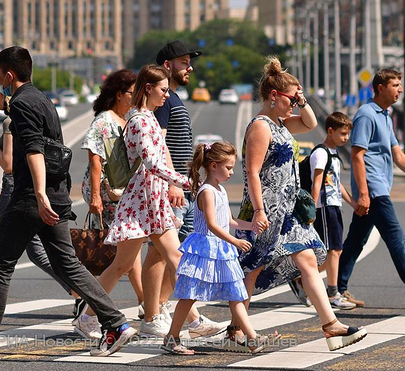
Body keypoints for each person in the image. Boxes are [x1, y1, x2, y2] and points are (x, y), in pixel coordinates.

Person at [0, 46, 136, 358]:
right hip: (56, 196)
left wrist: (40, 195)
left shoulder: (21, 103)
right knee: (69, 265)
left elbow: (34, 149)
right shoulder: (42, 99)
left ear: (9, 74)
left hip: (32, 198)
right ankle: (116, 324)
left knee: (0, 263)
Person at [229, 58, 364, 352]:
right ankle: (236, 327)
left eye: (296, 99)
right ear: (273, 97)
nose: (294, 104)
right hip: (265, 211)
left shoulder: (280, 123)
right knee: (251, 269)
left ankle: (331, 325)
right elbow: (252, 171)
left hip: (288, 212)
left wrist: (302, 100)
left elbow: (310, 123)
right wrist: (261, 209)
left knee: (306, 261)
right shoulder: (261, 127)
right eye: (291, 99)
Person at [84, 65, 222, 340]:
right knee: (124, 266)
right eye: (162, 90)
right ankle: (88, 316)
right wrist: (185, 182)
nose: (166, 95)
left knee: (174, 258)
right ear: (147, 89)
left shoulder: (147, 118)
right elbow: (151, 161)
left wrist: (178, 182)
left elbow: (158, 158)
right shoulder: (138, 120)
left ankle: (190, 321)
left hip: (152, 201)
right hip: (141, 202)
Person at [0, 81, 79, 328]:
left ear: (5, 91)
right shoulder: (27, 110)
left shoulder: (10, 121)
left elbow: (9, 165)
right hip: (24, 189)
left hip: (15, 189)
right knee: (39, 253)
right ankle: (80, 294)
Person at [335, 68, 405, 309]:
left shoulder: (385, 115)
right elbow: (357, 155)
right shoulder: (366, 114)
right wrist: (363, 193)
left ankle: (336, 289)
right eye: (395, 85)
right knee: (396, 237)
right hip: (374, 188)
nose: (399, 90)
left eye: (399, 85)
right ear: (380, 88)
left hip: (379, 186)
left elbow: (397, 154)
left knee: (356, 241)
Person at [161, 141, 270, 356]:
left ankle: (253, 338)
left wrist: (252, 226)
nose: (231, 172)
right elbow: (211, 224)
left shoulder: (220, 190)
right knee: (189, 296)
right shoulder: (207, 191)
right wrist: (235, 241)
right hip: (204, 249)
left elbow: (228, 220)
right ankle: (171, 338)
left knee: (236, 294)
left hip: (221, 250)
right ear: (213, 165)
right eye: (228, 167)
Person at [77, 69, 143, 315]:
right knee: (126, 252)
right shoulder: (104, 120)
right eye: (131, 93)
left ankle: (144, 303)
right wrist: (95, 197)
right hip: (109, 194)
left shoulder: (127, 119)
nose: (135, 98)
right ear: (118, 94)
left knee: (129, 249)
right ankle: (143, 304)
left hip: (124, 193)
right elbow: (95, 160)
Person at [309, 113, 357, 311]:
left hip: (334, 205)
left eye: (347, 134)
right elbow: (317, 181)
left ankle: (301, 279)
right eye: (343, 134)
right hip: (325, 206)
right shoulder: (321, 153)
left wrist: (352, 203)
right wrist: (311, 209)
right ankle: (332, 293)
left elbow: (336, 184)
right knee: (333, 250)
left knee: (332, 251)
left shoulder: (335, 155)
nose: (346, 138)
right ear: (330, 131)